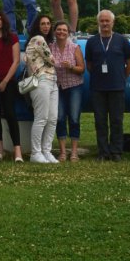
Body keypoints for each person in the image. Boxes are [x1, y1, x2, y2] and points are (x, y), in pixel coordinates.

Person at [84, 10, 130, 162]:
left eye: (107, 21)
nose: (105, 23)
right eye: (102, 21)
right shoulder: (92, 42)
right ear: (98, 22)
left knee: (116, 121)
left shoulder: (122, 41)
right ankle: (103, 152)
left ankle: (116, 151)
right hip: (98, 88)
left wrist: (121, 77)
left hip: (117, 87)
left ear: (113, 22)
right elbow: (89, 64)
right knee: (100, 121)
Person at [0, 11, 23, 162]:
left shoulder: (12, 38)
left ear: (4, 20)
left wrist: (5, 81)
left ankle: (17, 151)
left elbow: (16, 61)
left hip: (8, 82)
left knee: (10, 114)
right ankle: (0, 149)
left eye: (0, 19)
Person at [51, 20, 85, 162]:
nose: (61, 32)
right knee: (59, 118)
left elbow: (82, 69)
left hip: (74, 86)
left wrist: (71, 67)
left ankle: (74, 152)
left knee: (74, 118)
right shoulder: (50, 47)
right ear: (55, 32)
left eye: (64, 30)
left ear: (68, 33)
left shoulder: (74, 47)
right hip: (57, 87)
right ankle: (63, 152)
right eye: (59, 30)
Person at [24, 35, 60, 164]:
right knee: (41, 118)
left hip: (53, 80)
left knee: (52, 119)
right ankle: (36, 153)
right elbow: (52, 60)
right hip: (41, 80)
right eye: (43, 25)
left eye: (48, 25)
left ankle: (46, 151)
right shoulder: (38, 39)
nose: (46, 26)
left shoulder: (47, 42)